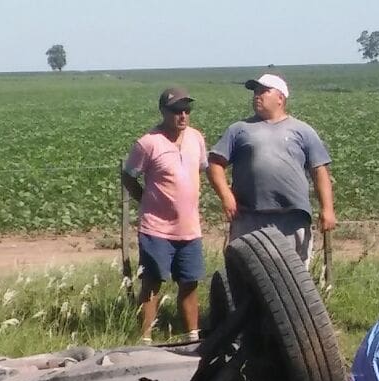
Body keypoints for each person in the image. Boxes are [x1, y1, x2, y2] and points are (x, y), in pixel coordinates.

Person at [208, 73, 335, 265]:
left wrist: (327, 209)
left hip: (292, 217)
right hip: (249, 216)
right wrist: (226, 196)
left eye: (263, 91)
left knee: (293, 274)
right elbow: (215, 163)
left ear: (280, 98)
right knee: (246, 271)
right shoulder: (239, 129)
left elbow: (319, 171)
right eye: (255, 92)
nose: (257, 96)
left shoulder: (303, 131)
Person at [122, 87, 208, 344]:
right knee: (152, 283)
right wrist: (146, 199)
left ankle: (192, 337)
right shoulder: (148, 143)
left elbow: (200, 169)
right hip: (156, 228)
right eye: (176, 110)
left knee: (190, 282)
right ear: (163, 111)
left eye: (187, 110)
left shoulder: (196, 138)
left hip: (189, 228)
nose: (183, 115)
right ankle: (145, 339)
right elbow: (128, 176)